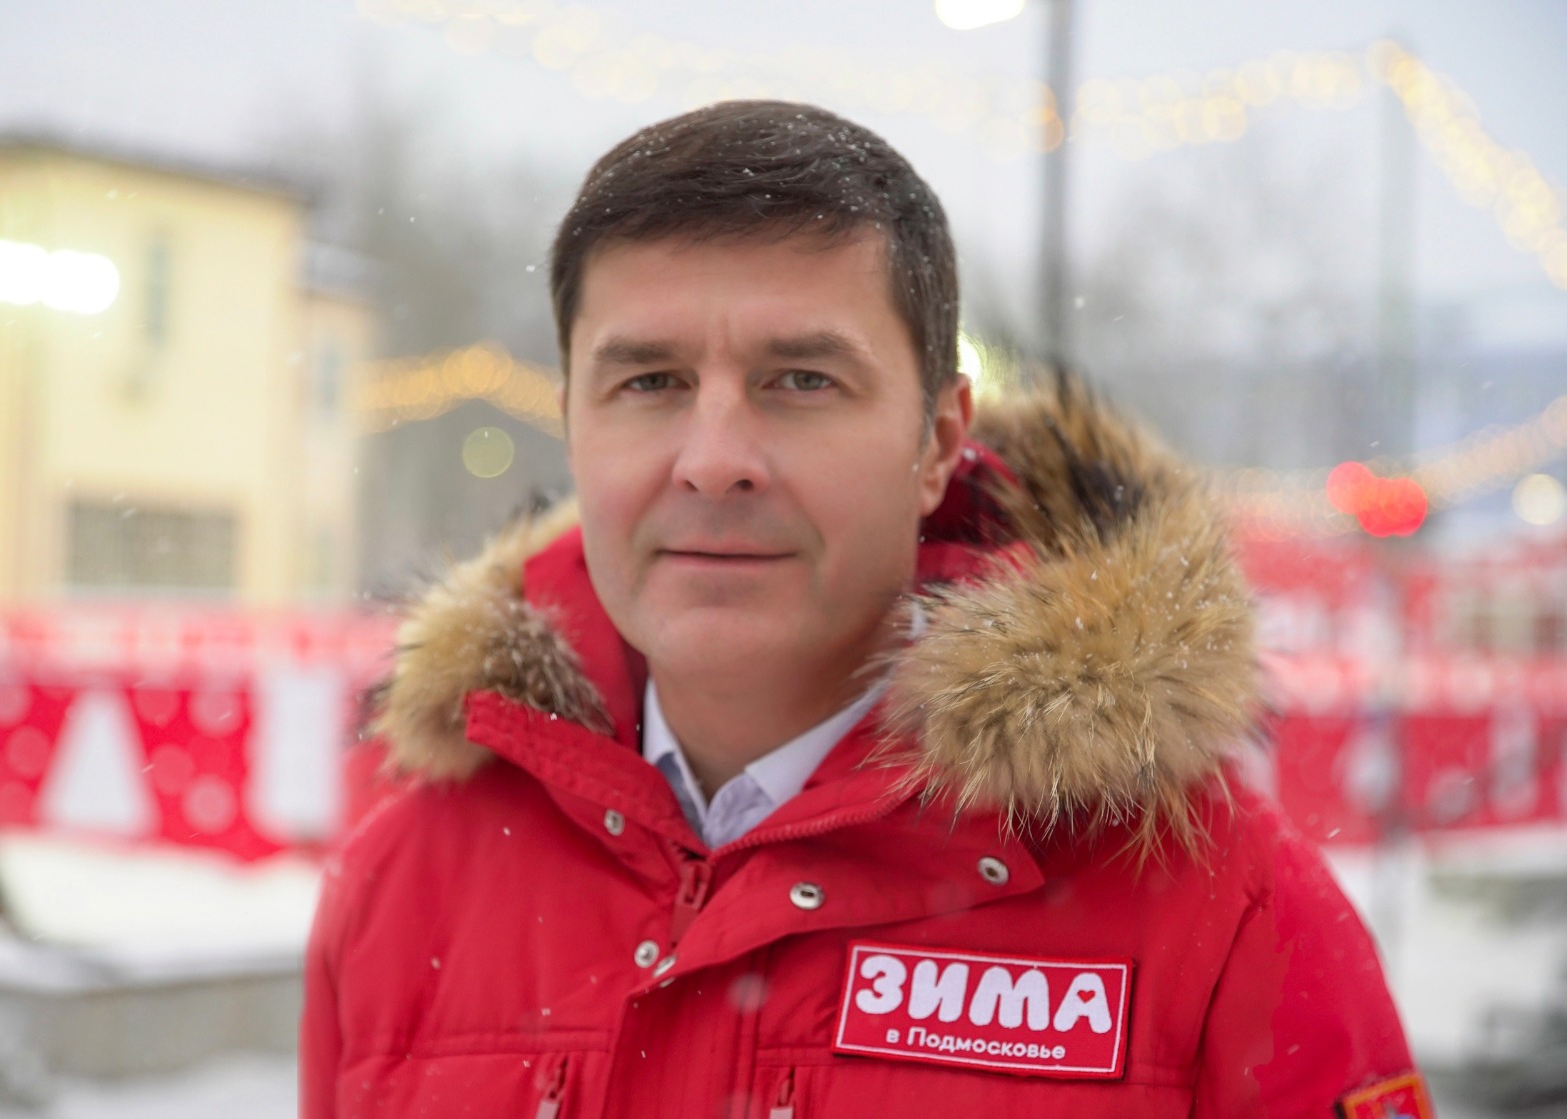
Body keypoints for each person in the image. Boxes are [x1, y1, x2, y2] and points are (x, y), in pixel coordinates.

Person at [301, 100, 1429, 1118]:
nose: (714, 459)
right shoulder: (401, 890)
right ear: (572, 423)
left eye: (802, 380)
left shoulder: (1224, 913)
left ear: (936, 443)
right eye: (649, 381)